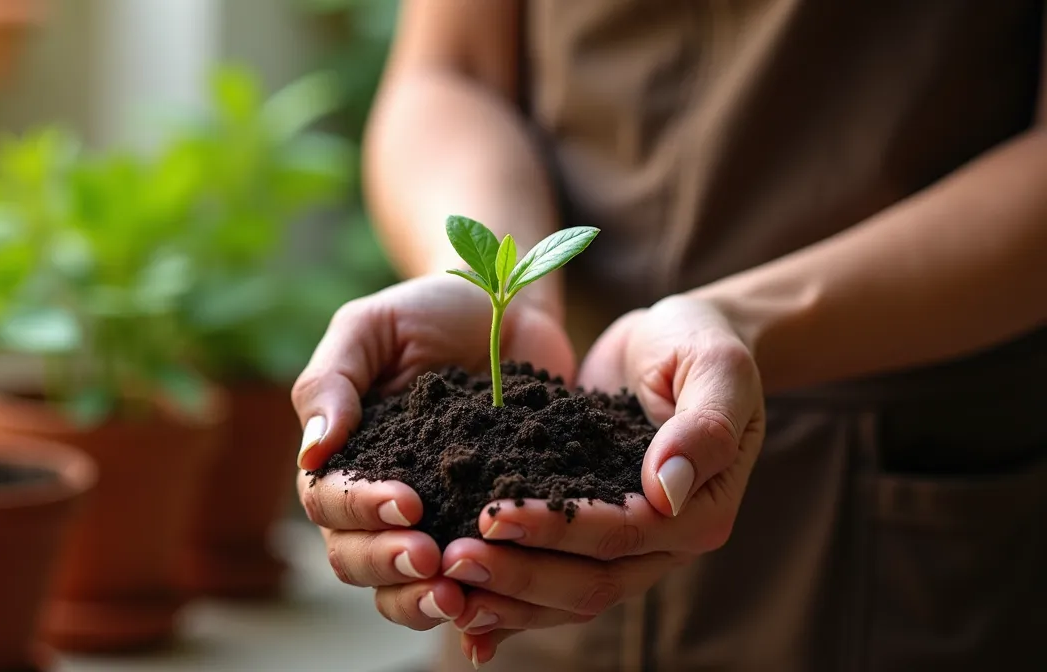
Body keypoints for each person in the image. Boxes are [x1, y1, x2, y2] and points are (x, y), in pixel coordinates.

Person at [291, 1, 1047, 669]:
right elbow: (451, 70)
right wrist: (499, 282)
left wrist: (743, 324)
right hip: (551, 481)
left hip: (884, 532)